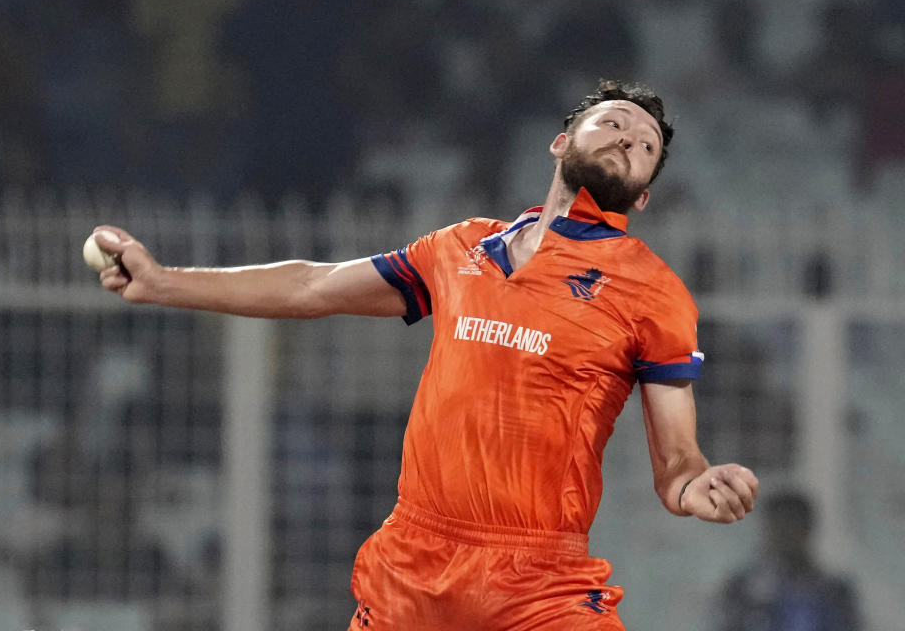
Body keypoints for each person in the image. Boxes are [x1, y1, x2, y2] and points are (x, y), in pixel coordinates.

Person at [95, 79, 760, 630]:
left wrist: (692, 484)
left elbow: (677, 460)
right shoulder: (460, 247)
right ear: (561, 142)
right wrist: (162, 281)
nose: (626, 139)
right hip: (413, 564)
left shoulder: (652, 290)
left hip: (538, 584)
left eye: (643, 145)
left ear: (642, 195)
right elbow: (313, 284)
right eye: (614, 123)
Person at [718, 491, 859, 631]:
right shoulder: (742, 590)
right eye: (778, 527)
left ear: (807, 528)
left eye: (792, 526)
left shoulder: (833, 591)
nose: (786, 536)